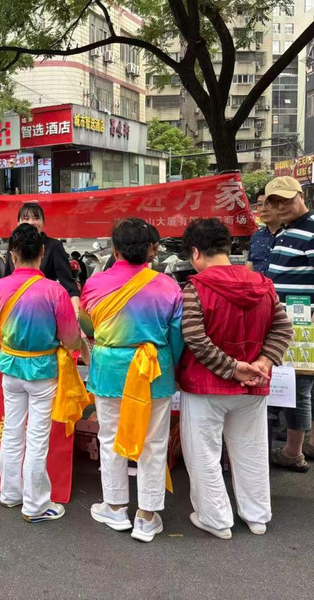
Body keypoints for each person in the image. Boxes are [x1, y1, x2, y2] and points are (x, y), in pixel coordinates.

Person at [178, 219, 293, 539]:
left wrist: (231, 368)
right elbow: (283, 328)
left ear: (195, 252)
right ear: (228, 249)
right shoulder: (264, 285)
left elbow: (194, 337)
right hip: (253, 385)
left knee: (203, 454)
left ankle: (215, 519)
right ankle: (257, 516)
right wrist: (262, 362)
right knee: (251, 451)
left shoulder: (195, 287)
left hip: (205, 385)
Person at [0, 224, 85, 522]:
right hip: (43, 372)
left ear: (12, 255)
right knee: (36, 437)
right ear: (42, 252)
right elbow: (71, 338)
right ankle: (35, 505)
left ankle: (10, 494)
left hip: (10, 370)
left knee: (11, 431)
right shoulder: (55, 291)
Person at [80, 218, 184, 543]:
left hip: (110, 371)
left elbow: (88, 328)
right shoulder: (169, 286)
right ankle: (147, 517)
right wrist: (172, 367)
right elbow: (177, 337)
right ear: (151, 249)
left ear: (115, 250)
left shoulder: (94, 284)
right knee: (154, 443)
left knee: (110, 438)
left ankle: (115, 507)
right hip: (154, 371)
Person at [265, 176, 314, 472]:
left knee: (298, 386)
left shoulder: (311, 229)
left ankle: (293, 452)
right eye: (274, 201)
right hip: (285, 322)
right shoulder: (284, 231)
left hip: (302, 325)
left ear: (301, 196)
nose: (280, 206)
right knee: (292, 384)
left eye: (285, 199)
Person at [4, 203, 79, 311]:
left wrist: (76, 312)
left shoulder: (54, 246)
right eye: (26, 218)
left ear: (43, 222)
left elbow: (69, 285)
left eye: (36, 218)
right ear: (18, 222)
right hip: (16, 309)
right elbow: (6, 279)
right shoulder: (14, 245)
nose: (31, 222)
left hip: (44, 307)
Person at [247, 192, 281, 275]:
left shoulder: (294, 235)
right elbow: (250, 268)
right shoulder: (257, 236)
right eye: (259, 205)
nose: (263, 209)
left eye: (268, 204)